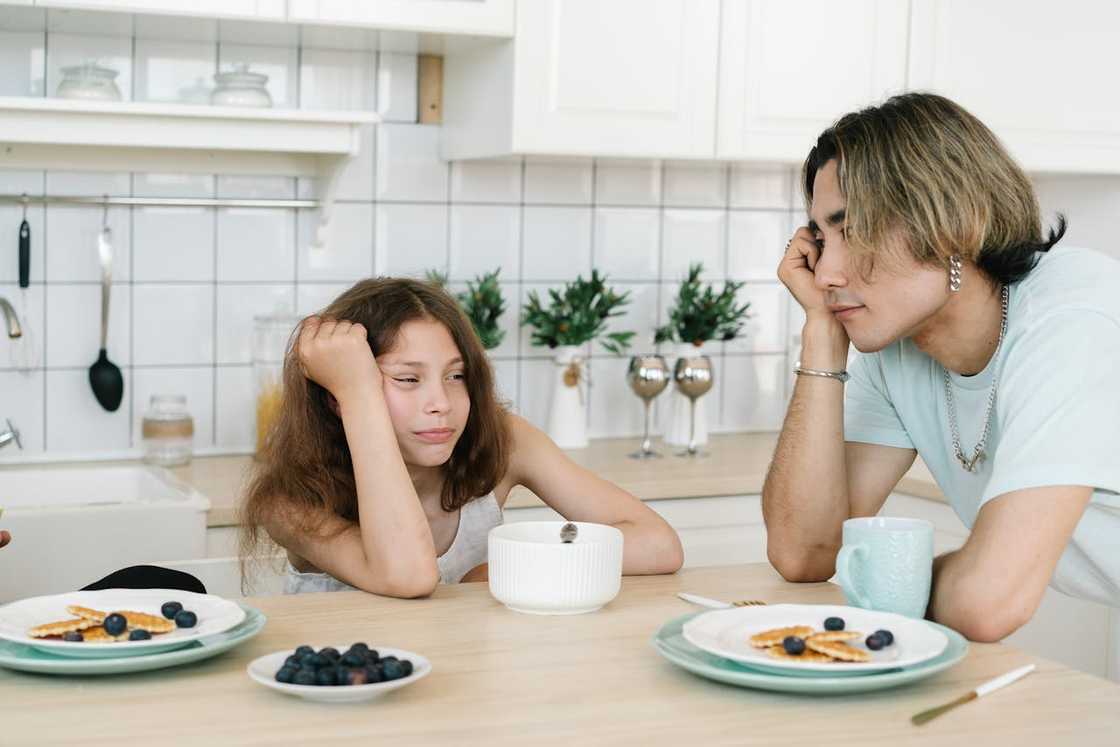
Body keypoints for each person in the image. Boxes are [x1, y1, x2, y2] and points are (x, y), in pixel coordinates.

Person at [762, 92, 1120, 642]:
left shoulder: (1072, 318)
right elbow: (804, 550)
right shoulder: (899, 345)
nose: (827, 271)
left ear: (955, 222)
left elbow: (987, 600)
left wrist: (892, 579)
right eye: (821, 237)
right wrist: (822, 338)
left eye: (853, 230)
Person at [240, 277, 684, 598]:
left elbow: (659, 545)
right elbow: (408, 576)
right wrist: (357, 394)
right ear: (337, 399)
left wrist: (504, 567)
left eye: (456, 376)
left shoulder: (504, 440)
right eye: (408, 379)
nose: (442, 403)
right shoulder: (291, 498)